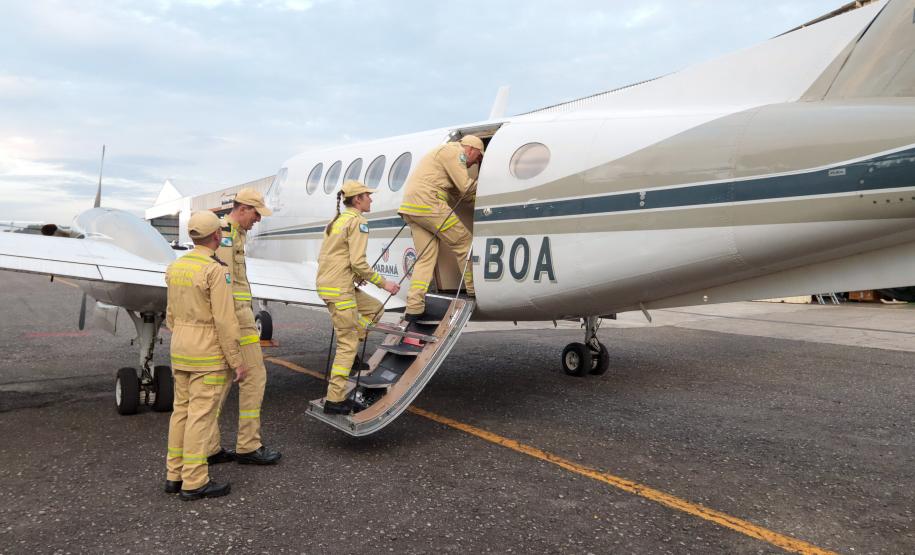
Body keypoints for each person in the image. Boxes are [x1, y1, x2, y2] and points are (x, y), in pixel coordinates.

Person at [164, 211, 248, 501]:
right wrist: (236, 360)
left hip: (180, 348)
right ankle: (195, 481)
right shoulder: (215, 270)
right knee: (201, 417)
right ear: (216, 236)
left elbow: (170, 315)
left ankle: (174, 475)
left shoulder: (177, 266)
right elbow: (225, 321)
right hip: (206, 353)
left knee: (181, 413)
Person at [208, 188, 282, 465]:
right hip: (236, 321)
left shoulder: (232, 234)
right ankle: (248, 446)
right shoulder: (226, 235)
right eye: (256, 213)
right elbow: (222, 284)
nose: (258, 220)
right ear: (243, 209)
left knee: (222, 383)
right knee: (253, 378)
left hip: (236, 318)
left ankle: (209, 447)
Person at [316, 180, 401, 414]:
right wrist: (385, 284)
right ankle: (335, 399)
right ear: (357, 200)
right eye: (367, 195)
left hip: (334, 283)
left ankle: (354, 350)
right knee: (347, 341)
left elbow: (333, 257)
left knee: (374, 308)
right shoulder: (358, 222)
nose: (371, 199)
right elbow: (359, 262)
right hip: (339, 289)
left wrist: (352, 275)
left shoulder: (336, 221)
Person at [397, 135, 483, 321]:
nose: (475, 163)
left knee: (425, 258)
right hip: (429, 204)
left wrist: (481, 202)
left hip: (412, 207)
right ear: (470, 149)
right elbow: (465, 186)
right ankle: (473, 290)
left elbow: (461, 194)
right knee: (464, 242)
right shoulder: (455, 152)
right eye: (477, 157)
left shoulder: (444, 156)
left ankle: (414, 307)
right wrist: (488, 187)